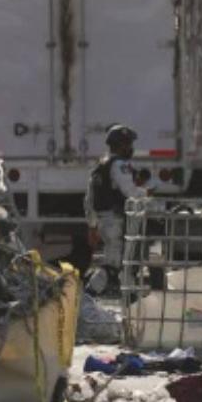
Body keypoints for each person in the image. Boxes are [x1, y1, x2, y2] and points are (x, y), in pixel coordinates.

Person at [85, 124, 150, 292]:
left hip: (105, 221)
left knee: (124, 263)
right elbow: (129, 191)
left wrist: (92, 225)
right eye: (128, 144)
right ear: (121, 145)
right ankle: (89, 293)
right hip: (115, 221)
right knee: (113, 265)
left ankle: (130, 297)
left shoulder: (101, 166)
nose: (131, 148)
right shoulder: (119, 164)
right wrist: (146, 194)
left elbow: (89, 199)